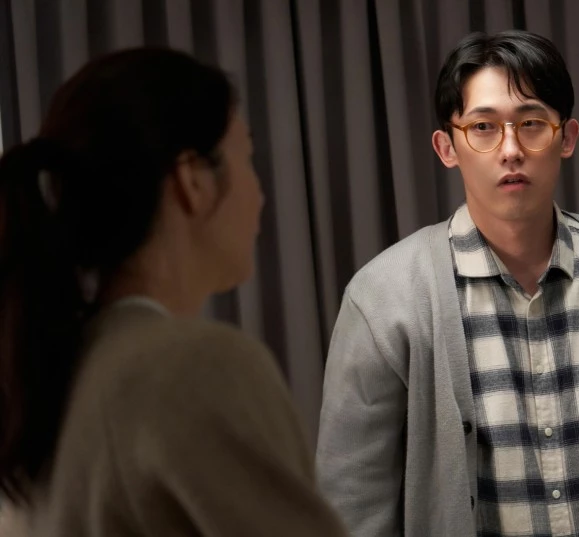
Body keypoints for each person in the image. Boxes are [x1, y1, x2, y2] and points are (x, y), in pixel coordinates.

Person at [316, 30, 579, 537]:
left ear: (567, 137)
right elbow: (351, 507)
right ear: (447, 147)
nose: (510, 150)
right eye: (483, 127)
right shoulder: (383, 300)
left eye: (531, 123)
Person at [0, 48, 346, 537]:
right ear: (192, 180)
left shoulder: (44, 380)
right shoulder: (195, 367)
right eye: (246, 157)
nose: (260, 193)